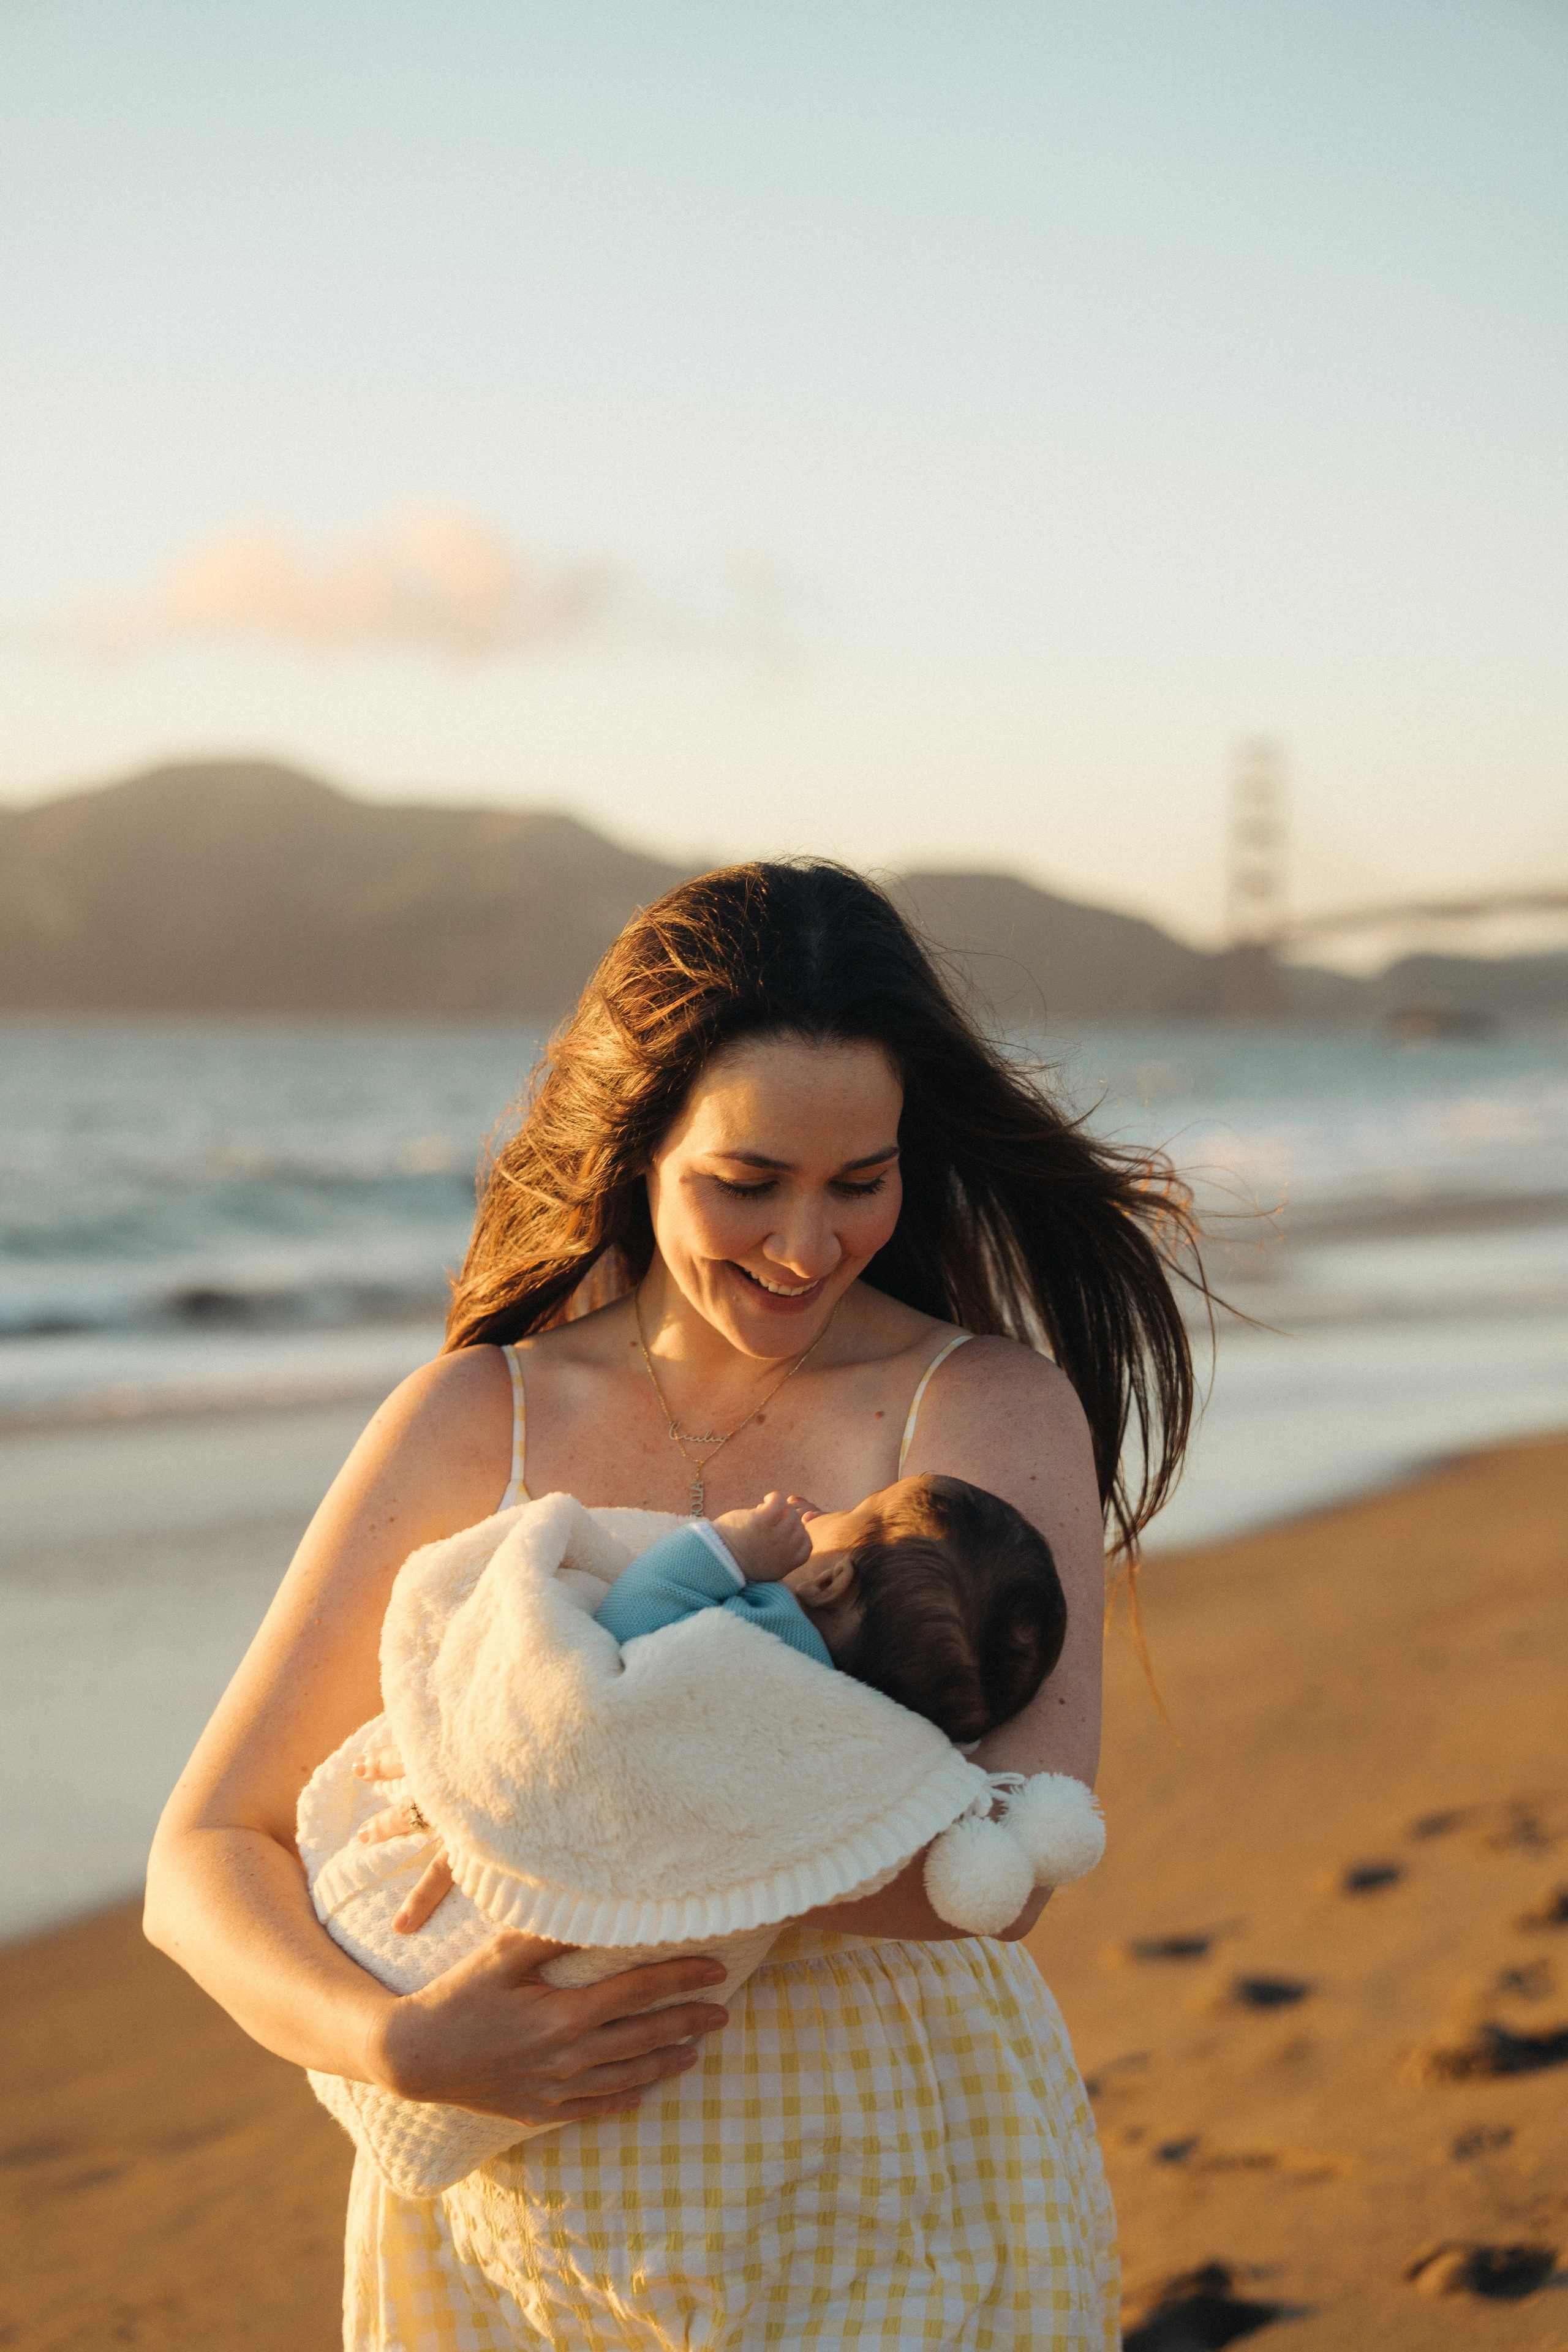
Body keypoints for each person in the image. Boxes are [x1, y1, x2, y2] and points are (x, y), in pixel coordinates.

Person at [145, 859, 1198, 2350]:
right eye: (745, 1181)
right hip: (510, 2223)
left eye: (860, 1182)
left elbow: (999, 1870)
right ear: (637, 1145)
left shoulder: (980, 1411)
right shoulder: (470, 1420)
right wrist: (403, 2043)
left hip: (886, 2184)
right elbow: (202, 1854)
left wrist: (550, 1796)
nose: (804, 1247)